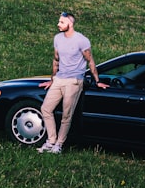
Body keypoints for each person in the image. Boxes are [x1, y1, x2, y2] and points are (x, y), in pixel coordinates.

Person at [37, 11, 107, 154]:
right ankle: (51, 141)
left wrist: (97, 81)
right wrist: (52, 79)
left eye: (61, 22)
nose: (58, 24)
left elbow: (90, 61)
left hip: (74, 81)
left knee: (66, 115)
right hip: (59, 79)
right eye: (59, 21)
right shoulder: (57, 38)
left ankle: (59, 144)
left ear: (70, 23)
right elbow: (56, 60)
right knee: (46, 109)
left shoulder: (81, 40)